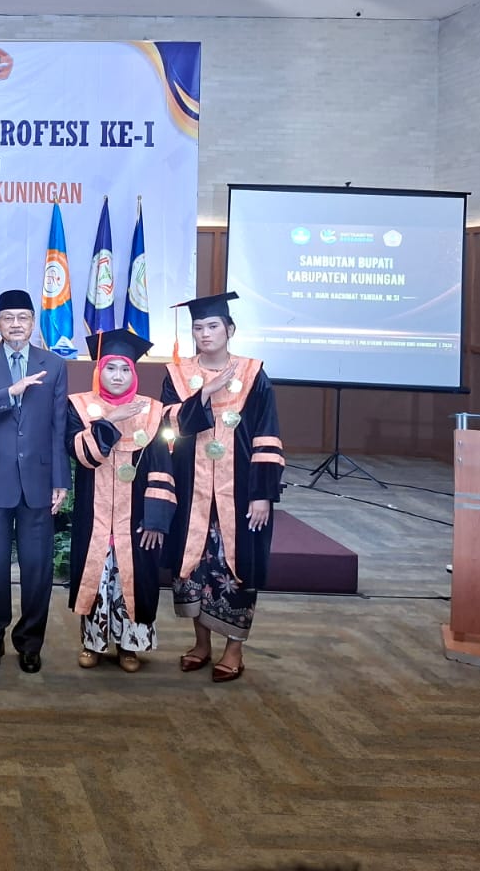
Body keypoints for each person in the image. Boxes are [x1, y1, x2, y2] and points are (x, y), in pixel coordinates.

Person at [158, 292, 284, 684]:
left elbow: (267, 434)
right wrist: (205, 395)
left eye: (213, 326)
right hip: (191, 490)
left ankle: (234, 649)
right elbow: (169, 429)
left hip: (241, 491)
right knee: (193, 566)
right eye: (198, 327)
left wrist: (263, 492)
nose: (205, 333)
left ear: (229, 330)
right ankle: (201, 644)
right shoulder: (177, 376)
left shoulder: (253, 374)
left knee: (236, 567)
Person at [0, 288, 70, 674]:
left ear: (33, 322)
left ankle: (30, 643)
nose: (16, 324)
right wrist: (9, 393)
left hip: (38, 480)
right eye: (8, 318)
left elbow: (58, 426)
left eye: (24, 317)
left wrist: (61, 479)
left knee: (37, 569)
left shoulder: (53, 365)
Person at [65, 329, 177, 671]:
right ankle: (93, 644)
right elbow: (83, 455)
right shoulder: (80, 406)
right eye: (111, 368)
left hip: (137, 516)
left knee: (134, 577)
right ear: (100, 371)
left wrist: (157, 517)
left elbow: (161, 466)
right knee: (95, 576)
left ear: (134, 373)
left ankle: (130, 646)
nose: (117, 376)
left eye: (125, 369)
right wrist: (109, 421)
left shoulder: (152, 411)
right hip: (94, 513)